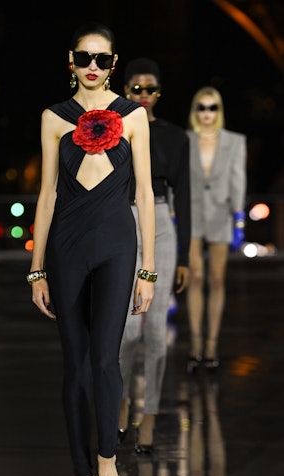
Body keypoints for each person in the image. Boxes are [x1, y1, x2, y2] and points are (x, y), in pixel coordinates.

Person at [27, 22, 156, 476]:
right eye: (85, 58)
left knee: (106, 359)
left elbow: (144, 194)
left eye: (102, 59)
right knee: (75, 367)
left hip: (119, 248)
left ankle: (106, 460)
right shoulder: (54, 119)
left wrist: (148, 269)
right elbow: (47, 194)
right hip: (65, 249)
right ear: (71, 61)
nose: (93, 67)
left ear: (114, 63)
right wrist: (36, 267)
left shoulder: (134, 116)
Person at [118, 58, 191, 453]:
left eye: (151, 90)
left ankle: (148, 417)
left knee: (156, 333)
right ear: (125, 90)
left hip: (162, 219)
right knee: (127, 331)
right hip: (124, 219)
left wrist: (184, 257)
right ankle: (122, 403)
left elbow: (187, 197)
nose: (144, 96)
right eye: (136, 89)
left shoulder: (175, 137)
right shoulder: (114, 130)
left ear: (158, 93)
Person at [186, 86, 247, 374]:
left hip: (221, 214)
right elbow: (179, 179)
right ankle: (196, 346)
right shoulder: (185, 140)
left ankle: (211, 345)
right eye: (201, 107)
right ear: (195, 110)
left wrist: (239, 219)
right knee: (195, 277)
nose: (207, 113)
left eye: (212, 107)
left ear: (219, 110)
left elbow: (238, 180)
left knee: (217, 279)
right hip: (193, 214)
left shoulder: (234, 141)